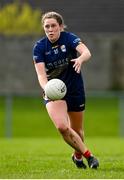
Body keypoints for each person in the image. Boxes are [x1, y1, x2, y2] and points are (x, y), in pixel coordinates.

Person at [33, 11, 99, 169]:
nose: (50, 29)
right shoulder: (39, 47)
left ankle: (77, 156)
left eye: (54, 26)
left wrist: (80, 59)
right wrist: (47, 88)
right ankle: (90, 157)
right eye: (47, 26)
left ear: (60, 27)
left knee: (78, 131)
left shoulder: (69, 38)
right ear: (44, 28)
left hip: (74, 89)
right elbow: (41, 75)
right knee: (62, 127)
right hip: (53, 92)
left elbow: (86, 52)